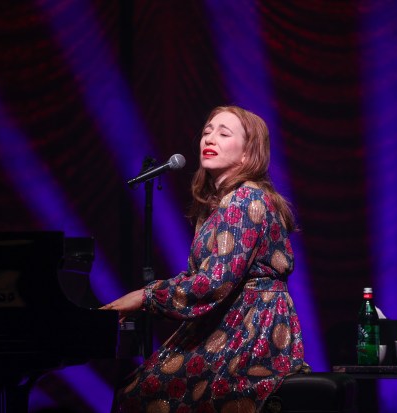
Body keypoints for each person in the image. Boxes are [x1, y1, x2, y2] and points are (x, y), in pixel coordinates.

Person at [101, 105, 308, 412]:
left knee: (143, 396)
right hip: (229, 321)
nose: (210, 138)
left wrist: (144, 297)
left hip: (252, 331)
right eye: (207, 131)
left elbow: (212, 283)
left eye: (224, 133)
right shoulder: (223, 204)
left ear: (248, 154)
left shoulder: (244, 200)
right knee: (138, 390)